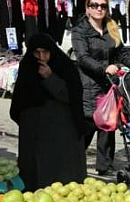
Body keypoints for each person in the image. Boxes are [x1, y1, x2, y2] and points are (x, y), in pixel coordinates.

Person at [72, 0, 130, 177]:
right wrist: (104, 68)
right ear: (87, 9)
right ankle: (72, 159)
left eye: (102, 5)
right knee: (87, 125)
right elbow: (82, 58)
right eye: (94, 5)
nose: (99, 8)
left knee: (107, 125)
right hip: (88, 84)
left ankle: (104, 165)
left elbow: (121, 52)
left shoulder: (111, 27)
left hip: (108, 85)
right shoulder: (80, 31)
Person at [9, 33, 87, 191]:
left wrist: (50, 78)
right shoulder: (27, 67)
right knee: (34, 180)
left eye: (45, 52)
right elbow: (19, 101)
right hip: (33, 133)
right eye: (36, 52)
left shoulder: (65, 67)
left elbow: (72, 97)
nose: (41, 57)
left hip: (61, 131)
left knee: (61, 180)